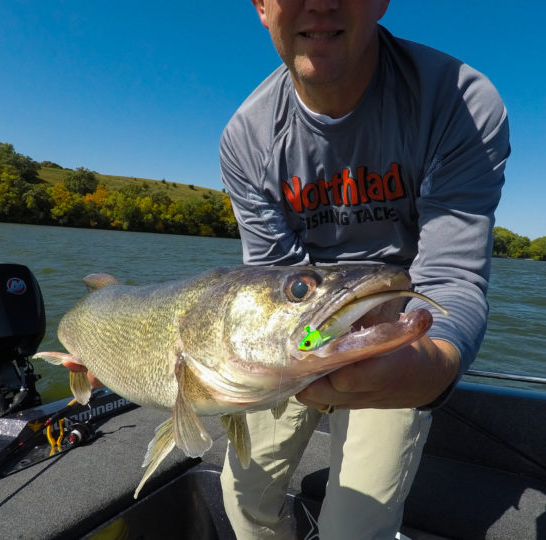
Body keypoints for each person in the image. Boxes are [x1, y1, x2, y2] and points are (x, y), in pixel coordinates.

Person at [218, 1, 510, 538]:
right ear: (260, 4)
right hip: (296, 329)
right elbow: (273, 281)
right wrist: (308, 347)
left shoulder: (460, 102)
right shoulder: (247, 139)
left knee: (353, 530)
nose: (320, 3)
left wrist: (431, 368)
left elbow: (450, 278)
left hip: (395, 337)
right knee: (243, 500)